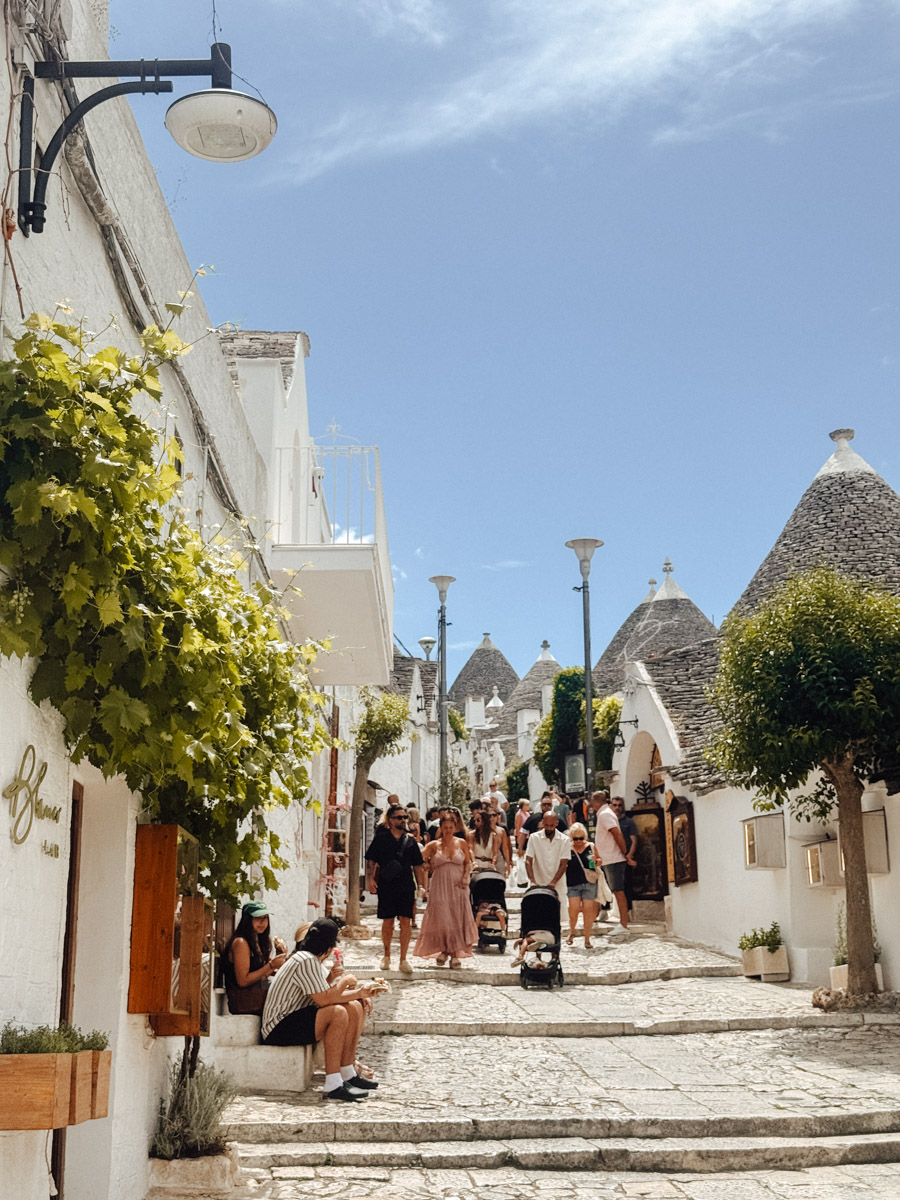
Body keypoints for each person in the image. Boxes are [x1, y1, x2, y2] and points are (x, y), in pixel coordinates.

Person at [261, 918, 379, 1103]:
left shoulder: (310, 960)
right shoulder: (305, 960)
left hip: (294, 1018)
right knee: (337, 1013)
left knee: (354, 1006)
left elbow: (326, 995)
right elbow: (325, 999)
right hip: (278, 1028)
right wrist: (343, 982)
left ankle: (347, 1072)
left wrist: (360, 992)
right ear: (329, 945)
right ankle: (333, 1083)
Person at [365, 803, 425, 974]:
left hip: (406, 885)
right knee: (388, 921)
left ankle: (403, 959)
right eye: (399, 817)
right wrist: (370, 878)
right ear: (390, 820)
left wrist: (421, 886)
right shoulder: (381, 839)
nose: (403, 820)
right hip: (387, 884)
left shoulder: (411, 841)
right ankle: (386, 955)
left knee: (406, 921)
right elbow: (371, 860)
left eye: (405, 817)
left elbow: (418, 866)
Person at [414, 813, 478, 968]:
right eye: (445, 828)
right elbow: (417, 857)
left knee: (456, 917)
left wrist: (465, 876)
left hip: (458, 884)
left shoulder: (461, 843)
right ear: (441, 828)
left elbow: (468, 862)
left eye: (451, 827)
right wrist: (426, 866)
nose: (448, 830)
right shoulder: (434, 845)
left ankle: (455, 952)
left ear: (455, 828)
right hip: (439, 884)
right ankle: (443, 949)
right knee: (442, 918)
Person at [223, 901, 288, 1014]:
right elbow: (243, 981)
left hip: (254, 996)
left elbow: (261, 975)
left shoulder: (257, 941)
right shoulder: (241, 942)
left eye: (265, 918)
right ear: (248, 920)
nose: (262, 922)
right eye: (257, 918)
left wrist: (277, 963)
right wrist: (271, 965)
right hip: (243, 1001)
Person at [592, 791, 629, 929]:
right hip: (607, 858)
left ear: (596, 801)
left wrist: (623, 851)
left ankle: (624, 925)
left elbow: (616, 832)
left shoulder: (605, 814)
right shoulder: (604, 813)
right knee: (611, 890)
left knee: (618, 891)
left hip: (613, 858)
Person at [525, 808, 571, 914]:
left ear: (556, 823)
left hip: (558, 884)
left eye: (551, 825)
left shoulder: (564, 840)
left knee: (557, 915)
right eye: (546, 825)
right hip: (538, 883)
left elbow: (564, 864)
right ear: (542, 823)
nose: (549, 828)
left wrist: (553, 882)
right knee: (538, 914)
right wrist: (532, 880)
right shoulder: (534, 838)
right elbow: (528, 860)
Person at [565, 823, 599, 948]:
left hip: (589, 883)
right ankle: (572, 931)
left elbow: (600, 861)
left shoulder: (591, 846)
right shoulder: (568, 848)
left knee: (588, 911)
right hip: (572, 883)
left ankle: (587, 939)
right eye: (575, 838)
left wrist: (597, 860)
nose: (578, 841)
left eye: (581, 838)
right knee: (573, 910)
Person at [610, 796, 639, 919]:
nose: (617, 808)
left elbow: (634, 840)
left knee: (626, 885)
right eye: (615, 805)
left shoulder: (628, 822)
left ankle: (628, 913)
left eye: (619, 805)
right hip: (611, 857)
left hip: (624, 858)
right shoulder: (609, 821)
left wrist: (629, 855)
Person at [491, 810, 513, 877]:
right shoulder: (482, 830)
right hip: (487, 857)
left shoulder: (502, 829)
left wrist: (508, 862)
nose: (492, 817)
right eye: (490, 815)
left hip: (499, 856)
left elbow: (505, 847)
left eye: (494, 815)